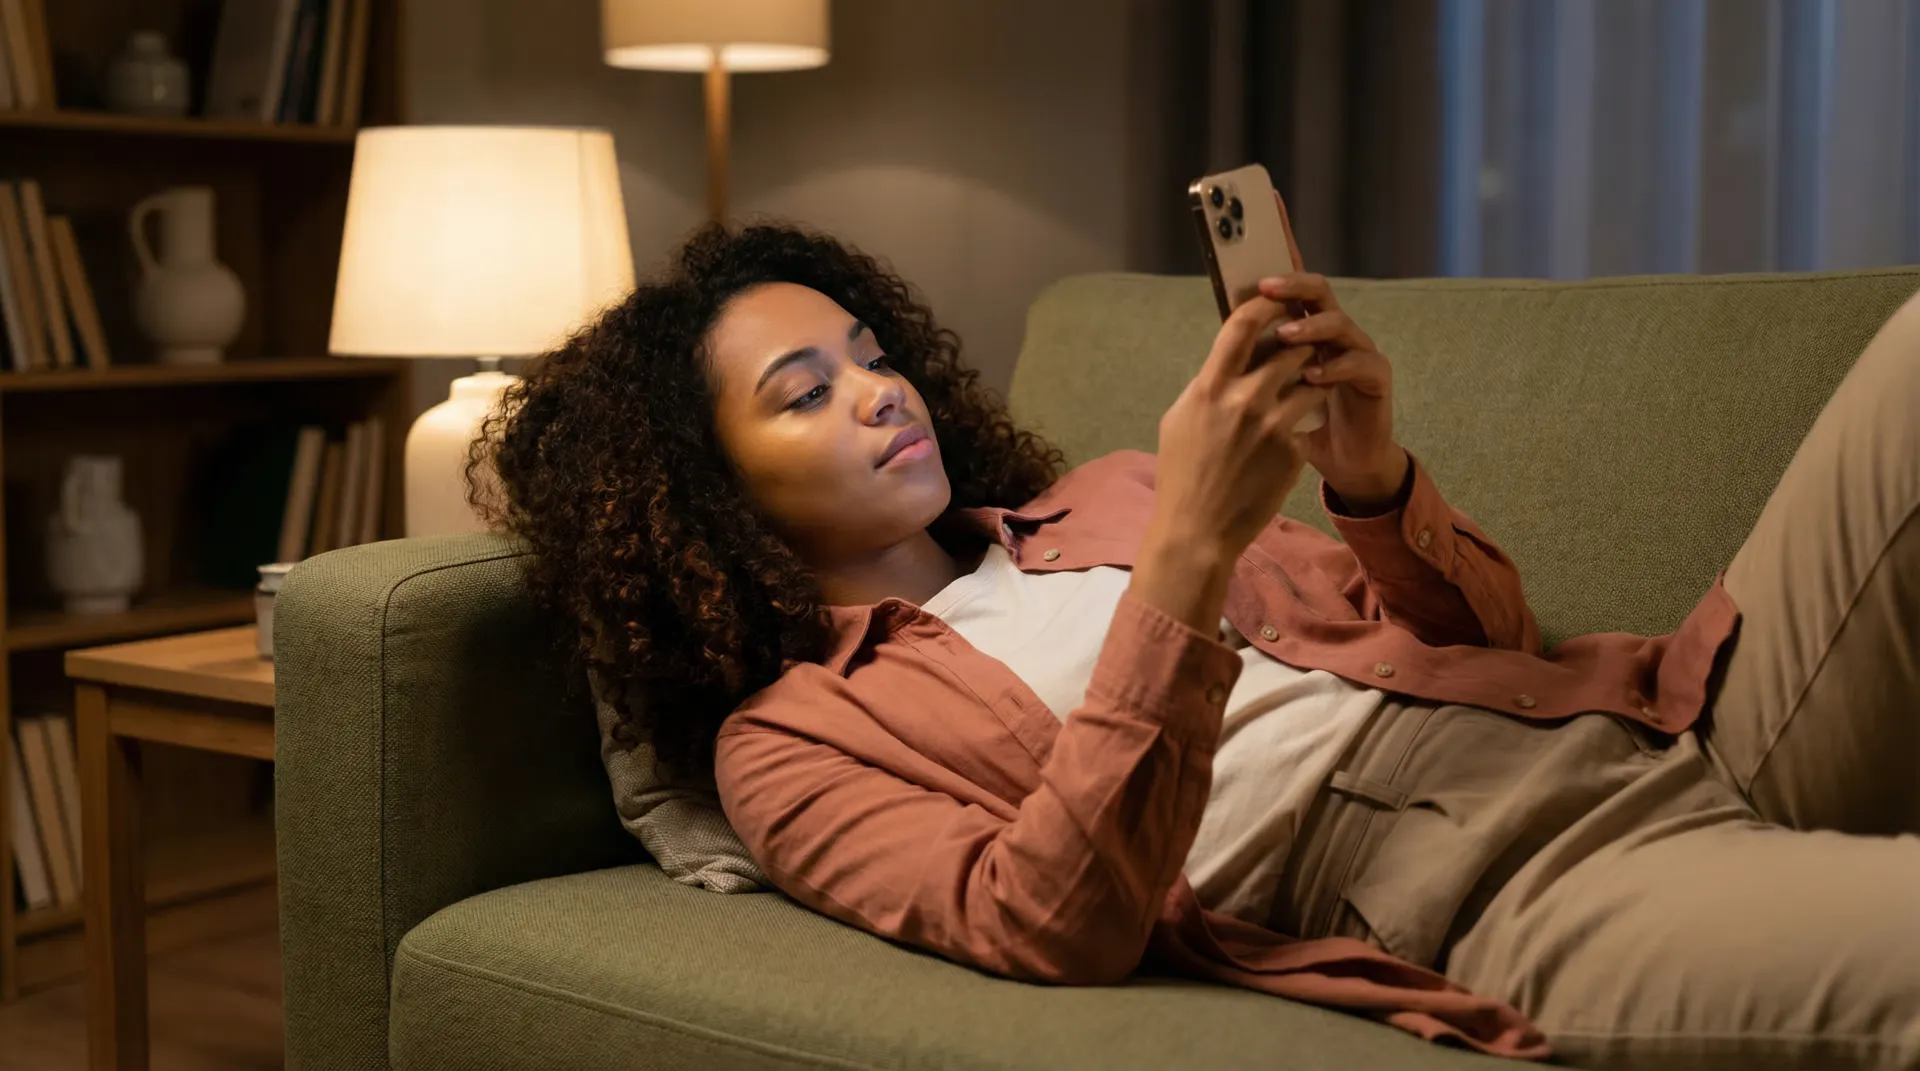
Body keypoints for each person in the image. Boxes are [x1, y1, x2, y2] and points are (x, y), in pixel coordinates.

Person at [476, 220, 1920, 1070]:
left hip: (1673, 717)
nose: (876, 392)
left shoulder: (1102, 490)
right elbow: (1047, 921)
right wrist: (1187, 568)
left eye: (870, 349)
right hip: (1502, 882)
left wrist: (1370, 477)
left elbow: (1497, 638)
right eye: (803, 392)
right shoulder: (792, 741)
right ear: (706, 495)